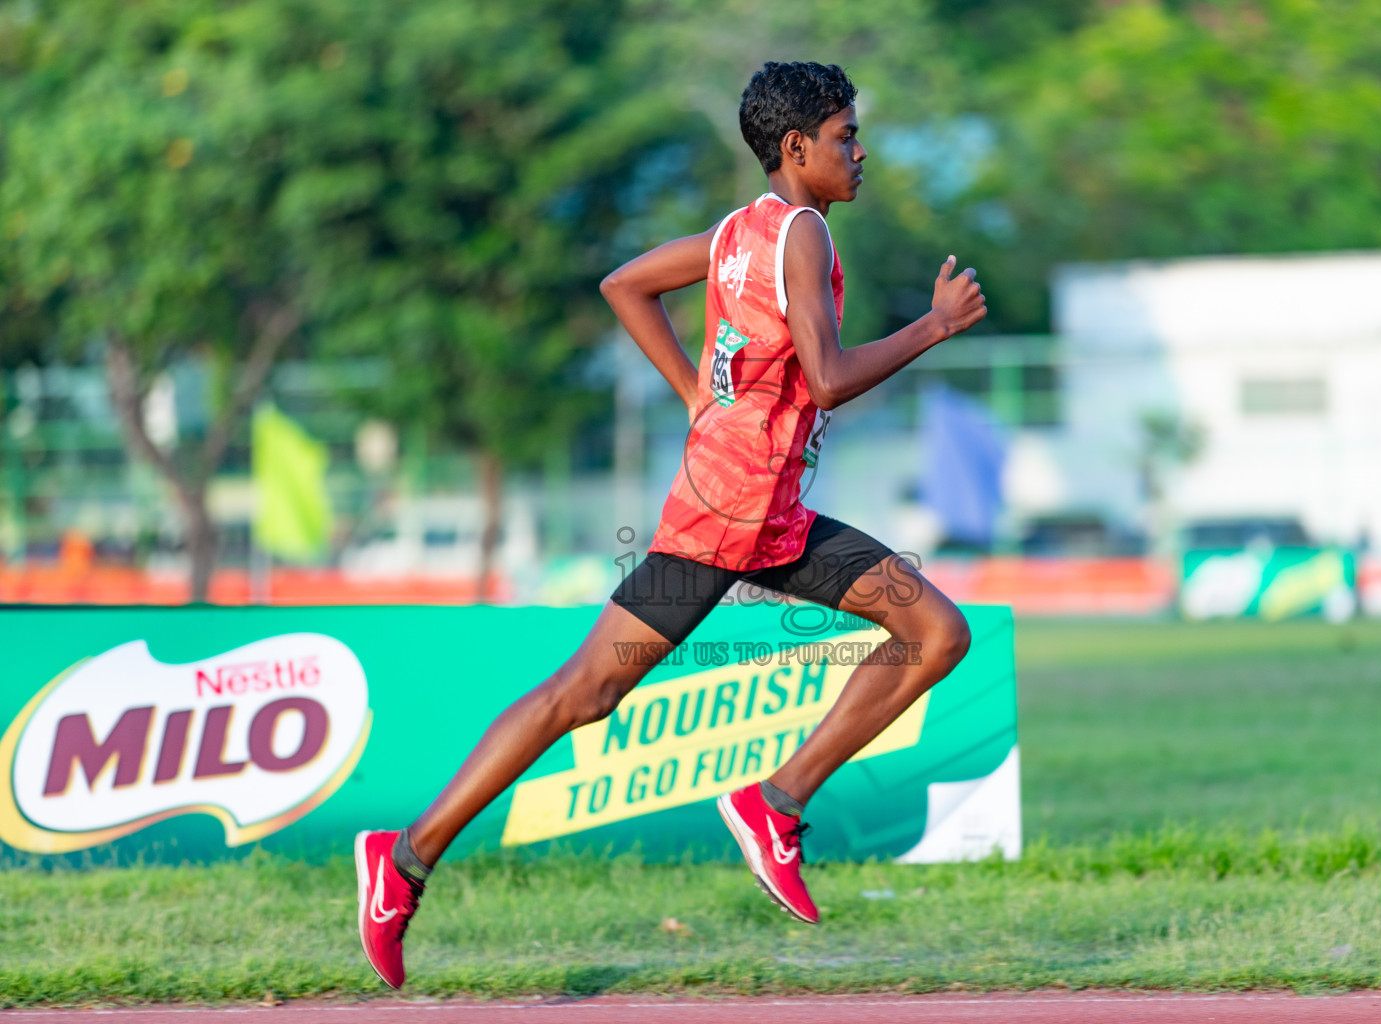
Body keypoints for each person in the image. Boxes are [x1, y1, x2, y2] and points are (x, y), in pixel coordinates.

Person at [354, 60, 988, 989]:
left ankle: (776, 801)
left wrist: (695, 390)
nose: (861, 152)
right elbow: (830, 379)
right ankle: (404, 860)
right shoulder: (802, 234)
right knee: (581, 695)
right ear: (796, 147)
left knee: (935, 630)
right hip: (727, 522)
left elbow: (624, 285)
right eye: (846, 136)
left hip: (765, 517)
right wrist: (932, 328)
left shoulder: (740, 231)